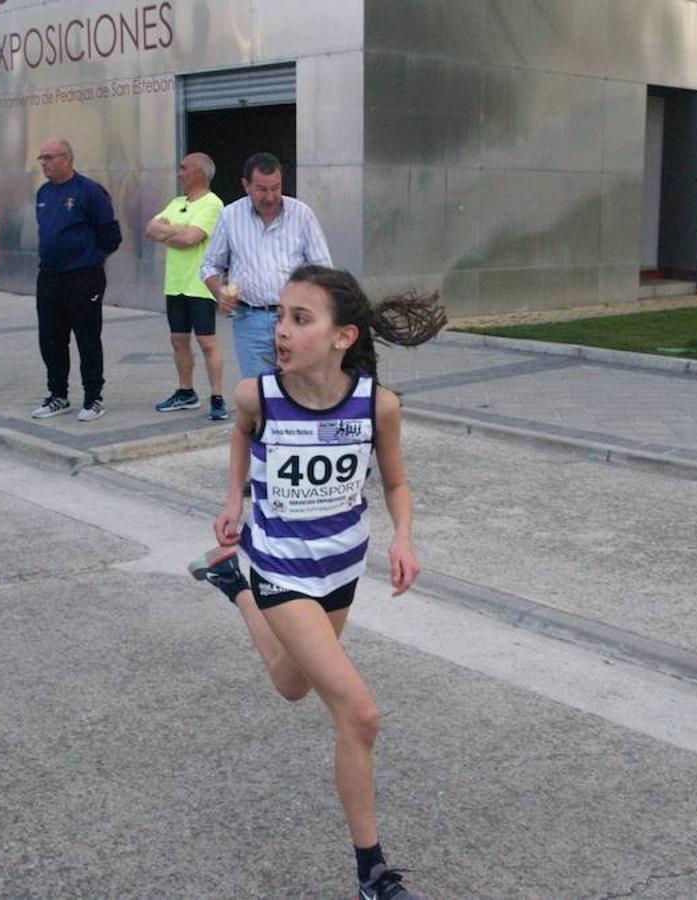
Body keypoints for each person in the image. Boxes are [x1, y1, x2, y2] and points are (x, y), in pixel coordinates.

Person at [189, 266, 446, 900]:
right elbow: (241, 437)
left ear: (342, 336)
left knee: (291, 685)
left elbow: (395, 482)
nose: (281, 330)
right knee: (359, 715)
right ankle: (373, 873)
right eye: (280, 315)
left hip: (340, 570)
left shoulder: (377, 405)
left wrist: (403, 536)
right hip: (279, 565)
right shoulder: (258, 395)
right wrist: (234, 500)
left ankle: (232, 586)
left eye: (300, 319)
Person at [201, 153, 332, 378]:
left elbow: (323, 269)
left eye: (276, 188)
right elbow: (210, 265)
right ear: (246, 185)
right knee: (259, 392)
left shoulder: (301, 214)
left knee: (300, 386)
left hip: (297, 319)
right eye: (262, 189)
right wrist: (219, 292)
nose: (270, 196)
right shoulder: (230, 216)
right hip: (250, 319)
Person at [31, 138, 122, 422]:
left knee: (87, 337)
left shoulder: (89, 192)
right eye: (41, 158)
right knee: (51, 338)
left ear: (66, 159)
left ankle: (93, 397)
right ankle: (58, 394)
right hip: (49, 276)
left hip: (83, 277)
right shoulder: (43, 193)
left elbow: (111, 236)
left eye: (48, 157)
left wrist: (90, 259)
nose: (43, 163)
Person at [145, 152, 228, 420]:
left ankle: (217, 397)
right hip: (175, 285)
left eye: (184, 168)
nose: (179, 173)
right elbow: (150, 229)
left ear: (199, 173)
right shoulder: (177, 202)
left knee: (207, 342)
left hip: (201, 285)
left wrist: (169, 233)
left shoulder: (213, 205)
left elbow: (192, 239)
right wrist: (178, 232)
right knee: (178, 341)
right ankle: (186, 392)